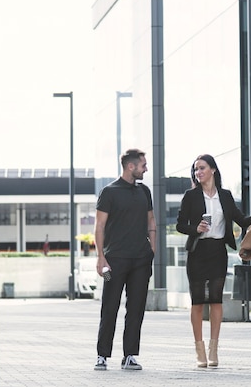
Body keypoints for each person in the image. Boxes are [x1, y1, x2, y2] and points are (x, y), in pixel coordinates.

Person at [176, 154, 251, 368]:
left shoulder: (225, 195)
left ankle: (214, 349)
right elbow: (179, 225)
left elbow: (242, 220)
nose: (198, 172)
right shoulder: (190, 196)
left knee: (216, 300)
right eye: (196, 169)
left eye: (202, 168)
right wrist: (195, 228)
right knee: (197, 302)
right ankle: (199, 351)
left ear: (213, 169)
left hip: (217, 252)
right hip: (197, 251)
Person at [93, 149, 156, 371]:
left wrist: (152, 251)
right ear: (131, 166)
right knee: (109, 307)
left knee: (136, 308)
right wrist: (101, 258)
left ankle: (130, 355)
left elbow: (151, 222)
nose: (146, 168)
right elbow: (99, 227)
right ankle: (102, 355)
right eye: (143, 165)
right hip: (114, 261)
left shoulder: (144, 191)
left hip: (141, 260)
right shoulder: (109, 192)